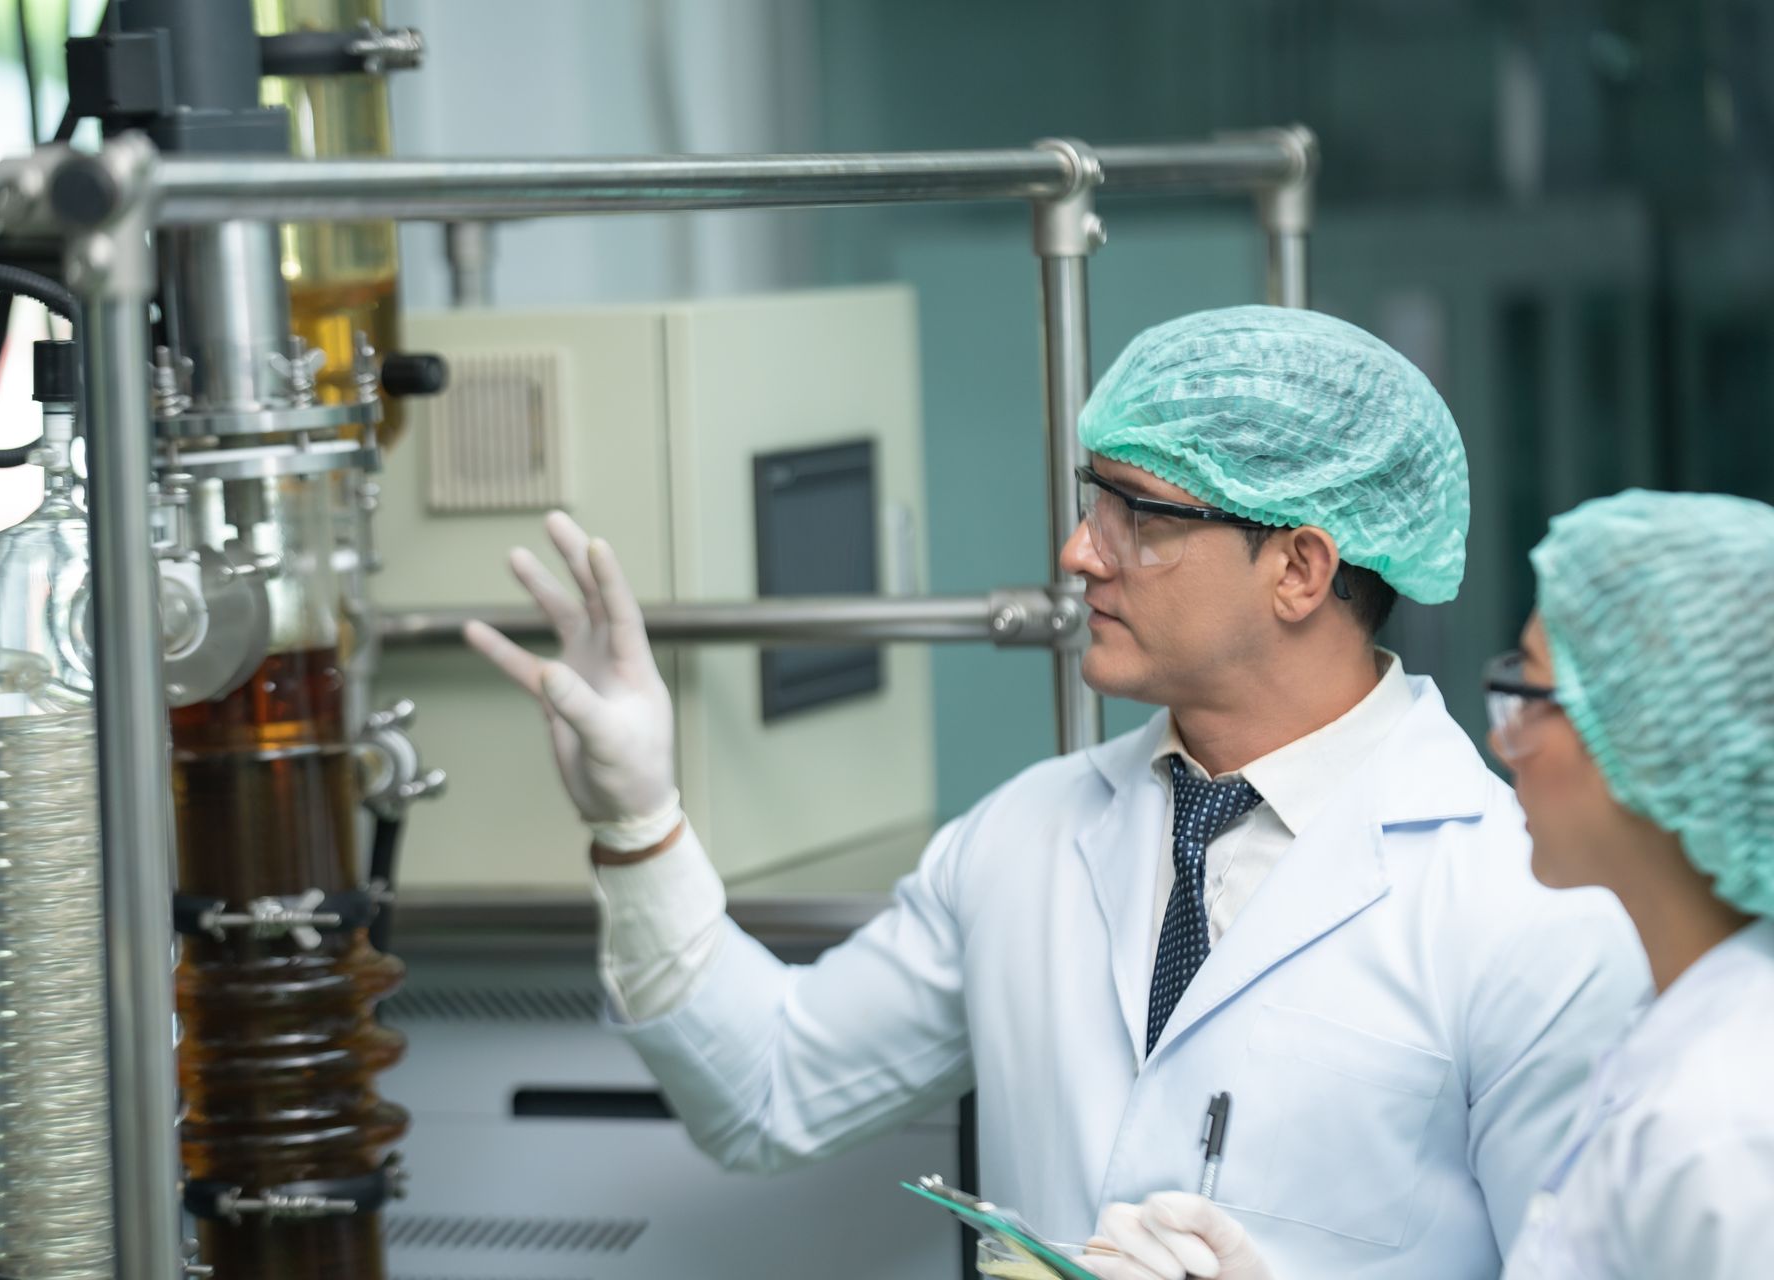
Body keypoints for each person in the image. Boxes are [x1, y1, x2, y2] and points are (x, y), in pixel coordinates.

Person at [464, 306, 1648, 1277]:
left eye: (1141, 514)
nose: (1082, 552)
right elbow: (768, 1093)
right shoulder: (1024, 837)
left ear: (1300, 566)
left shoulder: (1529, 905)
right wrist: (637, 824)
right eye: (1095, 500)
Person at [1086, 488, 1774, 1280]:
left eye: (1530, 692)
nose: (1500, 739)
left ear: (1656, 748)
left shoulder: (1729, 1120)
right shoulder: (1687, 1043)